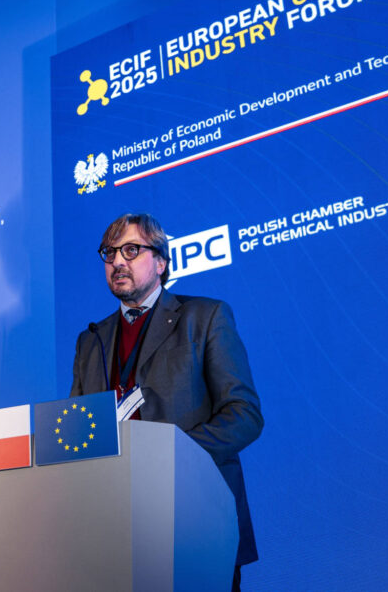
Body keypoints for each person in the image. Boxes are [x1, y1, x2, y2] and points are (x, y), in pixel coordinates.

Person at [70, 212, 263, 590]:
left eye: (131, 250)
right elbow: (78, 436)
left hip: (196, 521)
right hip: (115, 531)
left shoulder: (204, 317)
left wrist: (173, 453)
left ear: (161, 262)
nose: (117, 261)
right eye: (109, 253)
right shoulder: (90, 341)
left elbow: (245, 415)